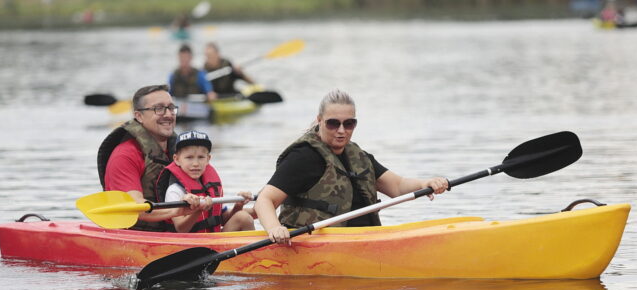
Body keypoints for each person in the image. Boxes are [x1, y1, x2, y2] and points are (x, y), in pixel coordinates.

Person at [255, 89, 450, 245]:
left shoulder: (358, 156)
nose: (341, 131)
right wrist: (274, 229)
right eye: (333, 123)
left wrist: (427, 183)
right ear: (320, 120)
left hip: (365, 238)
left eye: (349, 123)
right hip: (320, 244)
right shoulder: (303, 157)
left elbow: (398, 186)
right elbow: (265, 199)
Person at [97, 84, 209, 232]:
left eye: (171, 108)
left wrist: (243, 209)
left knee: (241, 218)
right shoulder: (124, 156)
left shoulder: (184, 152)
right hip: (137, 237)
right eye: (159, 109)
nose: (168, 114)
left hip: (181, 231)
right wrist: (178, 210)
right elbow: (135, 206)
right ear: (139, 116)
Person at [156, 130, 256, 233]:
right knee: (244, 216)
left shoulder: (210, 185)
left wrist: (238, 206)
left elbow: (221, 218)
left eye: (201, 157)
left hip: (212, 239)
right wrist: (199, 210)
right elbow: (181, 229)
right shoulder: (174, 191)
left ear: (208, 159)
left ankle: (254, 249)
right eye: (189, 157)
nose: (195, 163)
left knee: (243, 217)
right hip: (188, 243)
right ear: (177, 159)